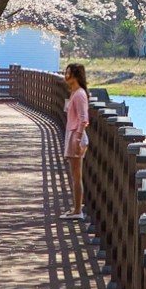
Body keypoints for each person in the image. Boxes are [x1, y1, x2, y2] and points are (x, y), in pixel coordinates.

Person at [61, 62, 89, 220]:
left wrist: (77, 139)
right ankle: (76, 208)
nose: (66, 76)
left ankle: (77, 210)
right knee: (74, 174)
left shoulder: (79, 94)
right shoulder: (75, 93)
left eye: (68, 73)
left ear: (76, 75)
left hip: (75, 135)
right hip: (72, 134)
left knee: (76, 175)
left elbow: (83, 119)